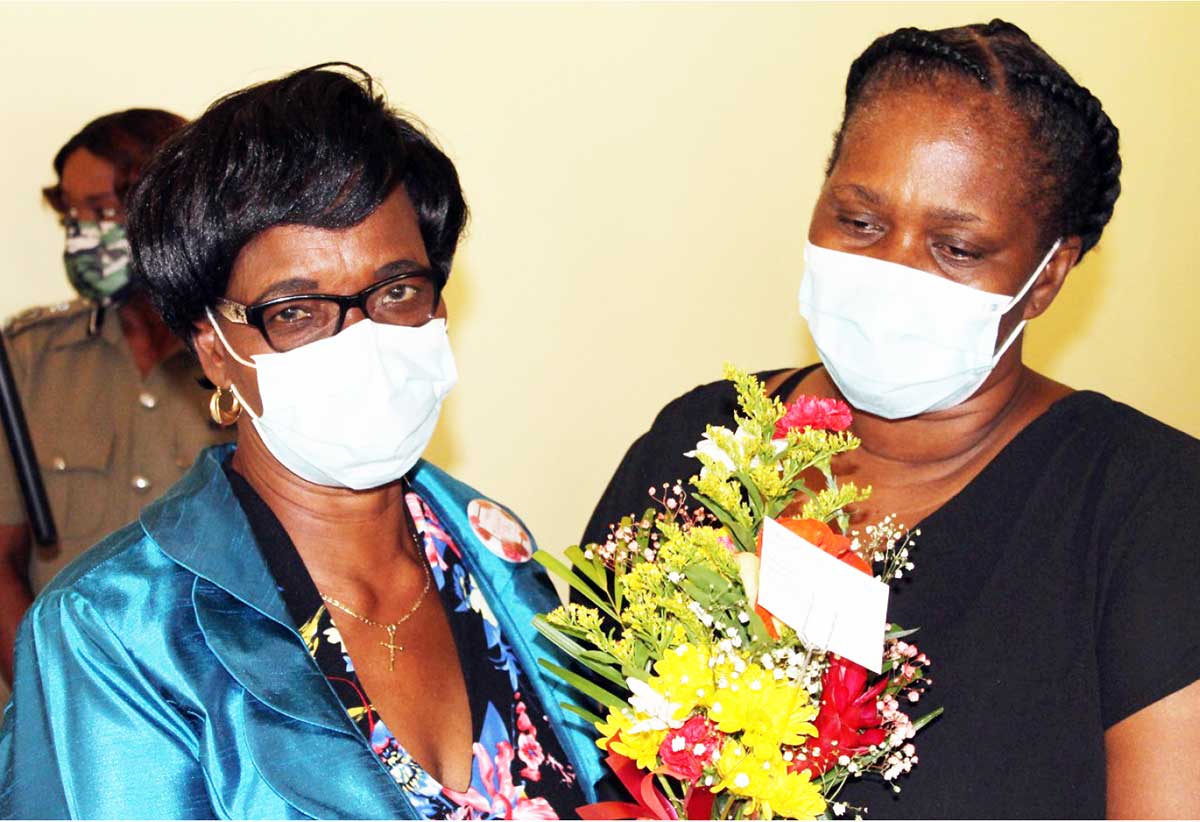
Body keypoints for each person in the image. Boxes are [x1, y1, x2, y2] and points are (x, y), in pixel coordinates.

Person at [582, 20, 1200, 820]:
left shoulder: (1150, 510)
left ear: (1047, 277)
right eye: (861, 222)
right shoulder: (698, 445)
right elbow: (573, 757)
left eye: (956, 248)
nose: (891, 271)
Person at [0, 64, 603, 819]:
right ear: (216, 348)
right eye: (297, 311)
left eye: (397, 291)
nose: (366, 341)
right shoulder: (116, 632)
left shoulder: (495, 554)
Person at [0, 109, 234, 691]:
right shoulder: (27, 359)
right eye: (72, 215)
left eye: (103, 212)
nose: (83, 235)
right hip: (54, 700)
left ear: (170, 209)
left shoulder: (248, 357)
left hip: (215, 710)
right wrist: (49, 697)